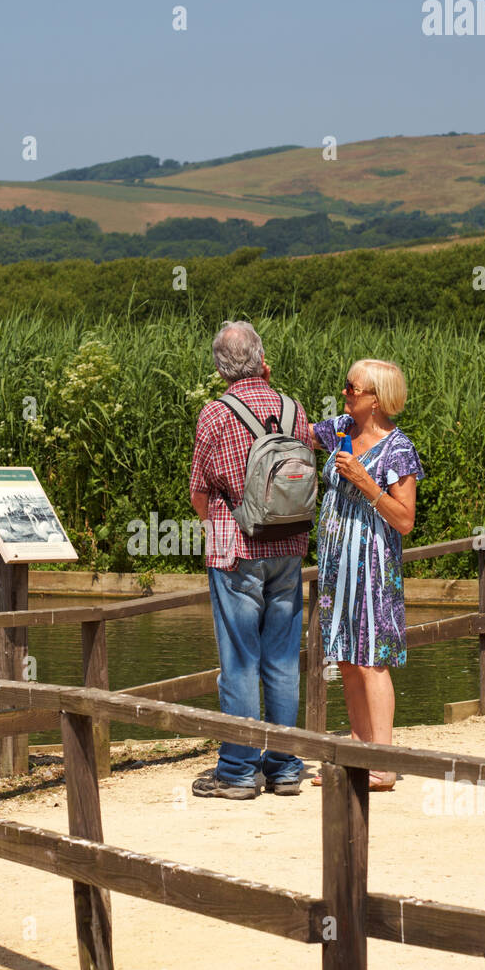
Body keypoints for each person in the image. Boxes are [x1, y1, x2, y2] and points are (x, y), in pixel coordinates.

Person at [189, 321, 314, 799]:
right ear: (262, 358)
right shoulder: (292, 407)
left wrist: (219, 520)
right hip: (288, 546)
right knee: (282, 661)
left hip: (236, 547)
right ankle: (283, 767)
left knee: (239, 662)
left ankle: (238, 772)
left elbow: (200, 494)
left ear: (220, 367)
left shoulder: (215, 414)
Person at [311, 360, 423, 792]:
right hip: (337, 564)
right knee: (345, 657)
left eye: (352, 389)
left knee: (373, 660)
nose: (345, 394)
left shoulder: (398, 449)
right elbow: (299, 430)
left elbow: (405, 520)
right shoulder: (340, 428)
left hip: (374, 565)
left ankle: (384, 762)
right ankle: (358, 754)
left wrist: (365, 482)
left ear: (376, 398)